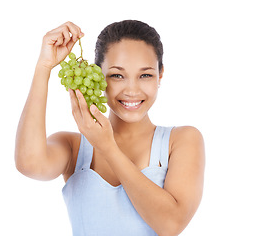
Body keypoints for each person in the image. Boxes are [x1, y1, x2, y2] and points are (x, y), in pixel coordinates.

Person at [15, 20, 205, 236]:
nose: (132, 90)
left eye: (145, 75)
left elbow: (170, 225)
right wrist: (43, 67)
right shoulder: (73, 147)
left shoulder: (181, 140)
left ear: (160, 75)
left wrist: (108, 147)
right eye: (117, 75)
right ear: (99, 75)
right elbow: (29, 164)